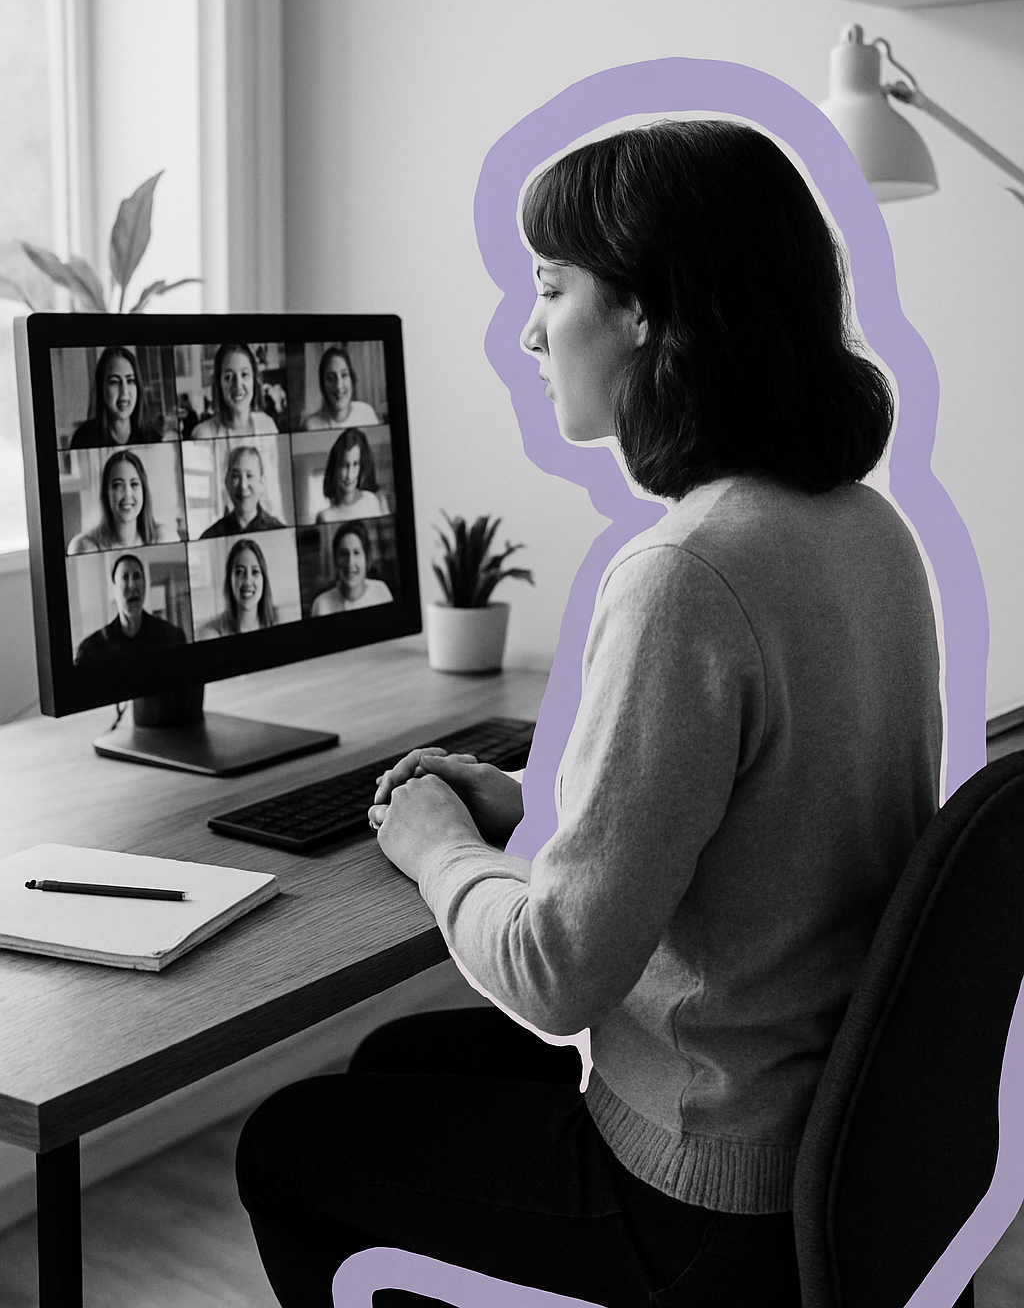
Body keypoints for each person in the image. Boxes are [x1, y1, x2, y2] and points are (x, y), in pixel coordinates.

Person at [236, 121, 941, 1308]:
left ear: (648, 316)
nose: (527, 327)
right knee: (401, 1062)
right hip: (834, 1146)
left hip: (708, 1195)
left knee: (287, 1146)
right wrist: (528, 812)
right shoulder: (861, 530)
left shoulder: (687, 574)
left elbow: (555, 973)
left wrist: (438, 848)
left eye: (553, 287)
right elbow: (776, 823)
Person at [74, 553, 186, 664]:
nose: (132, 586)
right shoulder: (92, 650)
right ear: (113, 589)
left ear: (145, 585)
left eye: (136, 576)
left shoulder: (171, 637)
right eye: (125, 577)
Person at [67, 449, 177, 554]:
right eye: (118, 485)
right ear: (106, 493)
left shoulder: (165, 537)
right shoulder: (83, 546)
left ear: (144, 490)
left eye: (134, 484)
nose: (127, 494)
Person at [69, 345, 163, 448]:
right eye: (114, 382)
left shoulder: (153, 438)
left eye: (130, 381)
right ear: (102, 387)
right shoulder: (84, 438)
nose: (124, 391)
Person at [192, 343, 279, 440]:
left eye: (244, 374)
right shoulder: (203, 435)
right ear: (219, 383)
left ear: (254, 379)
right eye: (228, 377)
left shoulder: (267, 426)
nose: (237, 385)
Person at [200, 445, 286, 539]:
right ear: (226, 482)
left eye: (249, 476)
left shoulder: (280, 532)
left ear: (262, 483)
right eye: (236, 476)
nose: (243, 486)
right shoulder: (211, 535)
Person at [198, 538, 278, 638]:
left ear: (264, 579)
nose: (247, 580)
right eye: (239, 572)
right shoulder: (211, 633)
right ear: (229, 580)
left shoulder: (280, 620)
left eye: (255, 572)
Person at [310, 521, 393, 615]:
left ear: (367, 558)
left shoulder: (381, 591)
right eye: (343, 554)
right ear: (335, 560)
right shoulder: (321, 605)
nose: (350, 562)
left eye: (356, 553)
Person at [315, 429, 388, 522]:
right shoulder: (325, 517)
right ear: (335, 468)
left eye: (355, 464)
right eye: (344, 465)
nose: (350, 475)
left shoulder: (371, 500)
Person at [301, 346, 379, 431]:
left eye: (344, 375)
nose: (339, 386)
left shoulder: (367, 413)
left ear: (351, 379)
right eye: (331, 378)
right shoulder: (311, 426)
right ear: (322, 385)